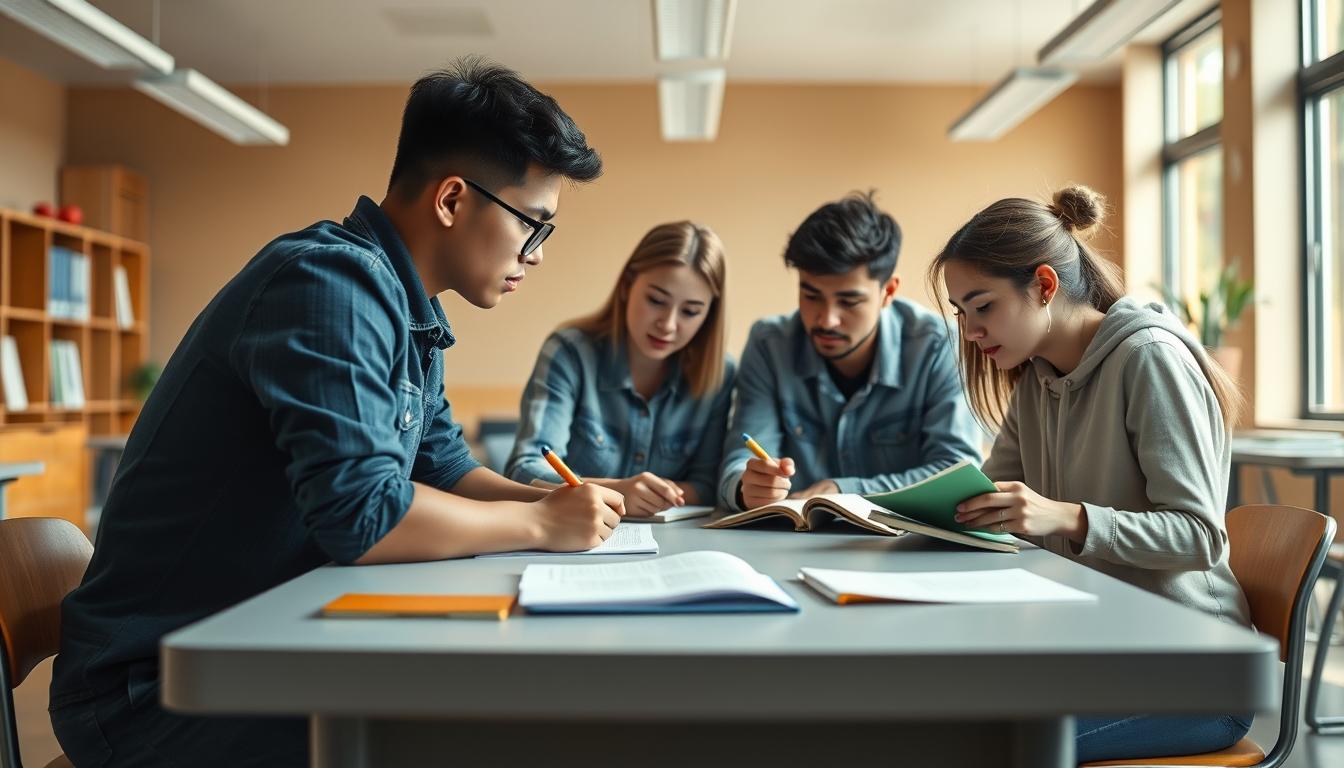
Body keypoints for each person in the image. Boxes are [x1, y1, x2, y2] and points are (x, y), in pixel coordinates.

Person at [50, 58, 624, 767]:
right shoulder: (329, 284)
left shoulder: (410, 312)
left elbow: (442, 467)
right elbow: (363, 515)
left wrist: (562, 499)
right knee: (470, 731)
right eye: (533, 225)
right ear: (452, 200)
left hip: (253, 642)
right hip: (152, 689)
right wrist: (540, 522)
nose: (534, 256)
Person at [931, 184, 1252, 762]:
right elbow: (984, 507)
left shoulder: (1149, 359)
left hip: (1195, 672)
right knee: (928, 715)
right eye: (962, 313)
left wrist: (1069, 518)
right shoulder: (1037, 379)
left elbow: (1200, 537)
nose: (971, 332)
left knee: (983, 743)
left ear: (1045, 286)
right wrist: (909, 521)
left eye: (984, 307)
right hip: (1096, 648)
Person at [718, 191, 982, 511]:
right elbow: (740, 460)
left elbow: (955, 474)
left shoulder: (939, 346)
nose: (826, 319)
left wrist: (845, 491)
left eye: (849, 301)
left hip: (905, 552)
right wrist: (747, 486)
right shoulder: (769, 345)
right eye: (811, 295)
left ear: (888, 292)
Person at [506, 222, 734, 516]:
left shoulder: (720, 373)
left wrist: (651, 495)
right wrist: (617, 490)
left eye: (690, 311)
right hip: (572, 541)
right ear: (627, 286)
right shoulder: (569, 353)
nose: (667, 324)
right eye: (656, 300)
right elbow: (524, 469)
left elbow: (708, 484)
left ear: (709, 313)